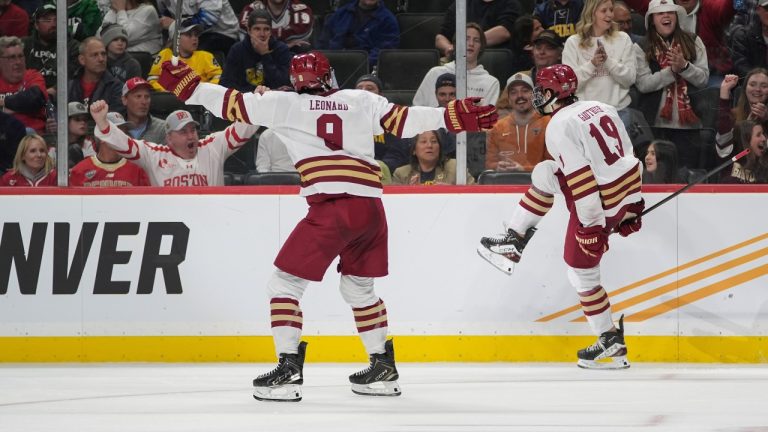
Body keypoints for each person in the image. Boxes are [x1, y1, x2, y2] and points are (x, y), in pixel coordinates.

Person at [156, 51, 497, 400]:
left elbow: (229, 103)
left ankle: (288, 371)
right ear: (328, 76)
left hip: (331, 207)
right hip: (370, 210)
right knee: (359, 289)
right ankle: (382, 367)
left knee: (283, 284)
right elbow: (406, 119)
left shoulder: (281, 103)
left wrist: (191, 86)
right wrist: (452, 116)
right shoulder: (360, 99)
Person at [478, 64, 643, 370]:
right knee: (546, 172)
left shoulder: (559, 125)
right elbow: (628, 158)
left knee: (581, 272)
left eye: (542, 90)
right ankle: (514, 240)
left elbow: (582, 183)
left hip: (598, 202)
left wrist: (591, 227)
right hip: (622, 193)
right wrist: (632, 205)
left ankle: (610, 343)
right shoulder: (602, 106)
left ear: (555, 92)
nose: (538, 96)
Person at [90, 101, 260, 186]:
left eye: (193, 130)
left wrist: (258, 104)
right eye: (183, 132)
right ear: (169, 138)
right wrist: (102, 123)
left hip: (212, 222)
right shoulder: (154, 154)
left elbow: (242, 130)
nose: (191, 136)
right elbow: (125, 144)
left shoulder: (212, 147)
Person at [633, 0, 708, 169]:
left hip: (689, 125)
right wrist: (672, 72)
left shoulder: (694, 41)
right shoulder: (641, 47)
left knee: (686, 173)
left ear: (676, 17)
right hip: (655, 125)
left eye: (670, 12)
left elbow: (703, 79)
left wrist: (685, 67)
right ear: (652, 20)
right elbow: (643, 84)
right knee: (658, 174)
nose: (666, 15)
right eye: (660, 13)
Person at [561, 0, 636, 127]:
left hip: (619, 112)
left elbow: (630, 79)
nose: (610, 15)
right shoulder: (573, 43)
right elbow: (569, 85)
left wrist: (608, 61)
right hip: (585, 116)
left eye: (611, 10)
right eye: (604, 11)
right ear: (591, 13)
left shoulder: (623, 39)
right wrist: (592, 64)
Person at [413, 23, 500, 108]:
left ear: (481, 47)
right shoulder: (435, 73)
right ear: (456, 44)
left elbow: (487, 117)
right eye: (466, 39)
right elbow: (416, 110)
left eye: (476, 40)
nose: (471, 44)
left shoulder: (491, 83)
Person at [486, 73, 551, 172]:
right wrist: (497, 166)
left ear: (534, 95)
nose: (520, 96)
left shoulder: (548, 124)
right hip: (506, 184)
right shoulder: (497, 127)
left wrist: (523, 170)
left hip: (540, 184)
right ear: (508, 99)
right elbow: (489, 164)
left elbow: (553, 164)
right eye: (513, 92)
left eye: (525, 91)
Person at [70, 111, 151, 187]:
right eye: (117, 132)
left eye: (124, 133)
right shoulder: (80, 170)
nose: (123, 137)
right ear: (101, 135)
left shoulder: (137, 171)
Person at [219, 9, 292, 93]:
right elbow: (225, 84)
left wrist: (265, 55)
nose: (262, 34)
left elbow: (284, 84)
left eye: (266, 29)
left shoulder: (281, 49)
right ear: (249, 31)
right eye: (257, 29)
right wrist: (252, 92)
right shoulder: (237, 50)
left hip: (274, 100)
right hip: (245, 100)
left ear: (271, 31)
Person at [22, 3, 81, 98]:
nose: (53, 24)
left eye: (56, 20)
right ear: (36, 25)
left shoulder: (73, 46)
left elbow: (75, 76)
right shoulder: (24, 45)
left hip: (62, 96)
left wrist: (55, 90)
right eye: (47, 20)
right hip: (28, 94)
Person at [317, 0, 399, 68]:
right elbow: (323, 42)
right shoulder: (340, 14)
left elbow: (384, 51)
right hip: (332, 64)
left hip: (364, 69)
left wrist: (360, 64)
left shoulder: (388, 20)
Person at [435, 0, 521, 60]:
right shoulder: (462, 3)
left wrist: (467, 44)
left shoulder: (510, 3)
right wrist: (448, 48)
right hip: (461, 60)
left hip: (493, 60)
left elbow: (504, 32)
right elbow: (441, 37)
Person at [147, 23, 222, 92]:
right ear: (176, 39)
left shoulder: (206, 56)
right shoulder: (165, 54)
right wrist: (166, 93)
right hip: (170, 100)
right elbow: (152, 80)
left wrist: (204, 90)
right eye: (189, 35)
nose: (194, 38)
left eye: (196, 35)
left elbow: (219, 77)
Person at [0, 36, 48, 134]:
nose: (18, 62)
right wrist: (21, 106)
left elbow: (35, 99)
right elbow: (27, 102)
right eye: (12, 57)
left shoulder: (33, 76)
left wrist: (3, 103)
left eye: (21, 56)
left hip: (31, 139)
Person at [156, 0, 240, 56]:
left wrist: (175, 25)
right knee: (166, 54)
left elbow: (208, 19)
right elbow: (166, 17)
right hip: (188, 32)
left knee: (190, 54)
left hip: (221, 32)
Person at [392, 130, 475, 185]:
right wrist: (409, 192)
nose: (429, 145)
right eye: (423, 142)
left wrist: (451, 191)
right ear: (414, 150)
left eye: (434, 141)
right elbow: (393, 204)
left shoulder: (455, 167)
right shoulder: (401, 174)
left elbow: (475, 193)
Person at [68, 37, 124, 111]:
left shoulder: (116, 87)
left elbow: (116, 118)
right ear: (82, 60)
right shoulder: (70, 86)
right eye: (95, 55)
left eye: (103, 54)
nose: (101, 59)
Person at [238, 0, 314, 54]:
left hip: (290, 54)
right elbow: (246, 33)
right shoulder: (252, 9)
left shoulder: (302, 10)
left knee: (302, 47)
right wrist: (285, 45)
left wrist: (263, 36)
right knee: (242, 47)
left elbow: (300, 33)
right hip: (258, 53)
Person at [122, 77, 167, 143]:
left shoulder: (163, 129)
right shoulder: (116, 128)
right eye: (138, 96)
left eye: (147, 97)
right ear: (125, 100)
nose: (144, 102)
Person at [66, 101, 96, 167]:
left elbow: (91, 167)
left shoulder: (89, 143)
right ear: (66, 121)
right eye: (77, 119)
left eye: (85, 119)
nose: (83, 122)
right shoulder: (55, 145)